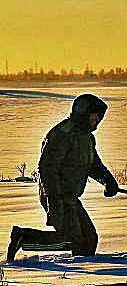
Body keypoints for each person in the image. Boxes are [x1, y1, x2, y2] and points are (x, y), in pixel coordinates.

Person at [6, 93, 120, 263]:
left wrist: (108, 181)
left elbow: (93, 165)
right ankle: (24, 237)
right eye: (94, 115)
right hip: (56, 195)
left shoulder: (87, 138)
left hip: (70, 197)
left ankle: (82, 271)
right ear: (83, 112)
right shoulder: (62, 134)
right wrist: (54, 198)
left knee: (88, 240)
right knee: (73, 239)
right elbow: (47, 169)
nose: (97, 120)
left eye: (99, 117)